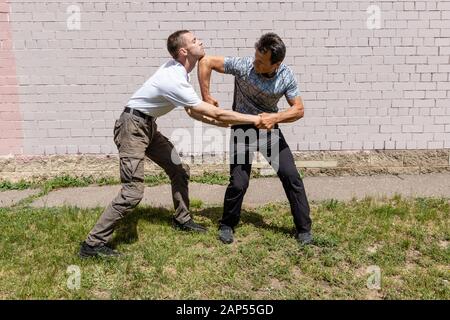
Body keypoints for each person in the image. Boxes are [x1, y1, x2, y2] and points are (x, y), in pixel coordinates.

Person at [79, 30, 268, 258]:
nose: (201, 41)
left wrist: (226, 124)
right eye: (195, 40)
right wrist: (256, 119)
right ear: (184, 51)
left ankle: (182, 218)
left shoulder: (178, 71)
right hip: (132, 129)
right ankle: (92, 244)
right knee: (132, 192)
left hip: (147, 127)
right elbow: (214, 112)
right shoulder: (174, 79)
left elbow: (194, 112)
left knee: (178, 170)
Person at [198, 32, 313, 246]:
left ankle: (304, 230)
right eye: (256, 57)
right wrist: (206, 97)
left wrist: (276, 117)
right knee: (239, 182)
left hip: (269, 130)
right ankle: (227, 224)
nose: (255, 63)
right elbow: (206, 61)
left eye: (261, 62)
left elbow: (298, 109)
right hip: (242, 129)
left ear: (276, 64)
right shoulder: (244, 66)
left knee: (291, 177)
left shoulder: (286, 77)